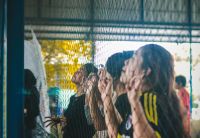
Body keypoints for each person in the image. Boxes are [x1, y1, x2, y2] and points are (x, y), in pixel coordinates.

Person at [121, 44, 186, 138]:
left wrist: (135, 103)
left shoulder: (149, 102)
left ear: (145, 71)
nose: (126, 62)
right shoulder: (142, 100)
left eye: (134, 58)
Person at [45, 63, 98, 138]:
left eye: (81, 70)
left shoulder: (88, 100)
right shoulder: (73, 98)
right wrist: (60, 120)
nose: (76, 71)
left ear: (87, 79)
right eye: (79, 69)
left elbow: (90, 126)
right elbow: (69, 118)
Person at [98, 51, 134, 138]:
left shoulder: (123, 100)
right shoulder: (121, 98)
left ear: (112, 76)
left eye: (105, 70)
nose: (103, 75)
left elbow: (114, 134)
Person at [24, 69, 40, 138]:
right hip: (29, 125)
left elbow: (34, 111)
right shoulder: (34, 90)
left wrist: (25, 111)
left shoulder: (30, 91)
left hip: (26, 125)